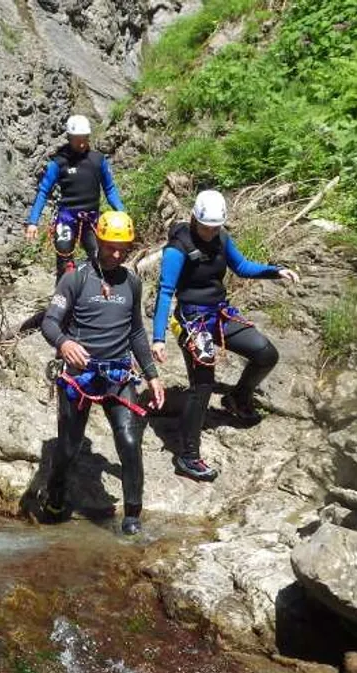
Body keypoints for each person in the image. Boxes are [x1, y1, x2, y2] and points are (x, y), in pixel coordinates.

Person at [152, 189, 299, 482]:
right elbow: (165, 293)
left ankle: (237, 398)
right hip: (192, 319)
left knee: (265, 353)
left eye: (216, 226)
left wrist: (275, 271)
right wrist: (158, 337)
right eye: (206, 226)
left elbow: (242, 267)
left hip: (219, 314)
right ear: (194, 218)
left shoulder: (221, 238)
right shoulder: (176, 249)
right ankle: (187, 456)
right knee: (202, 384)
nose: (211, 232)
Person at [41, 210, 165, 535]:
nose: (116, 254)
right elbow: (50, 321)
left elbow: (136, 332)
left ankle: (133, 516)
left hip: (118, 375)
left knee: (128, 440)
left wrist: (151, 374)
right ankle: (54, 497)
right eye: (110, 246)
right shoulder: (76, 277)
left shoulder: (132, 283)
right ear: (97, 239)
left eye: (123, 248)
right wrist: (65, 343)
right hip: (79, 377)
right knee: (68, 446)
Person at [25, 114, 124, 282]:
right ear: (69, 138)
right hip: (67, 217)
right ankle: (62, 301)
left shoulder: (98, 160)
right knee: (64, 260)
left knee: (97, 256)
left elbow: (109, 188)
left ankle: (97, 297)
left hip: (91, 217)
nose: (82, 143)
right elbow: (43, 191)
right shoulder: (59, 162)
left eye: (85, 138)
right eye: (78, 139)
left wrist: (122, 212)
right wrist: (33, 222)